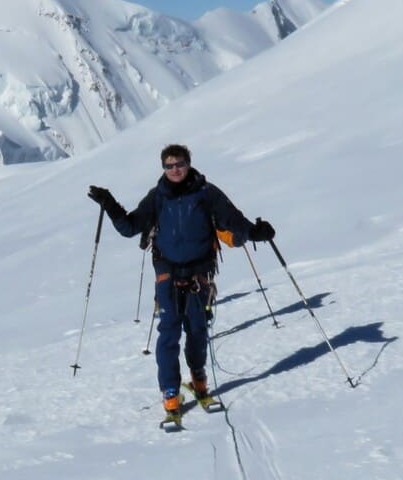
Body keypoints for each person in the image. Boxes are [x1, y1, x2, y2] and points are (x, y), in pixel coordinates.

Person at [89, 144, 274, 427]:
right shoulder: (157, 197)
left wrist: (254, 232)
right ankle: (171, 391)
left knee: (198, 329)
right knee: (169, 334)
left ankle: (198, 377)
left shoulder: (206, 193)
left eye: (180, 164)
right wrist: (110, 204)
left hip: (199, 274)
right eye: (169, 165)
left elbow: (233, 219)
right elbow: (130, 227)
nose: (175, 169)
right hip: (168, 274)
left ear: (189, 164)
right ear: (163, 168)